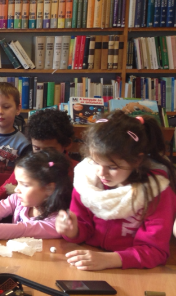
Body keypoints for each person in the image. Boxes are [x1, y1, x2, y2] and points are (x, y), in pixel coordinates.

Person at [55, 111, 176, 270]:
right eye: (95, 162)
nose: (101, 173)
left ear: (137, 160)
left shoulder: (156, 192)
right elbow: (84, 226)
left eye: (112, 167)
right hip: (92, 259)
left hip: (133, 270)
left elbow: (155, 251)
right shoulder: (87, 181)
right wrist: (72, 231)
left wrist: (110, 259)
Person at [0, 108, 78, 202]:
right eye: (37, 149)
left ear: (67, 144)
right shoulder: (27, 166)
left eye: (49, 150)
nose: (42, 156)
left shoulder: (78, 171)